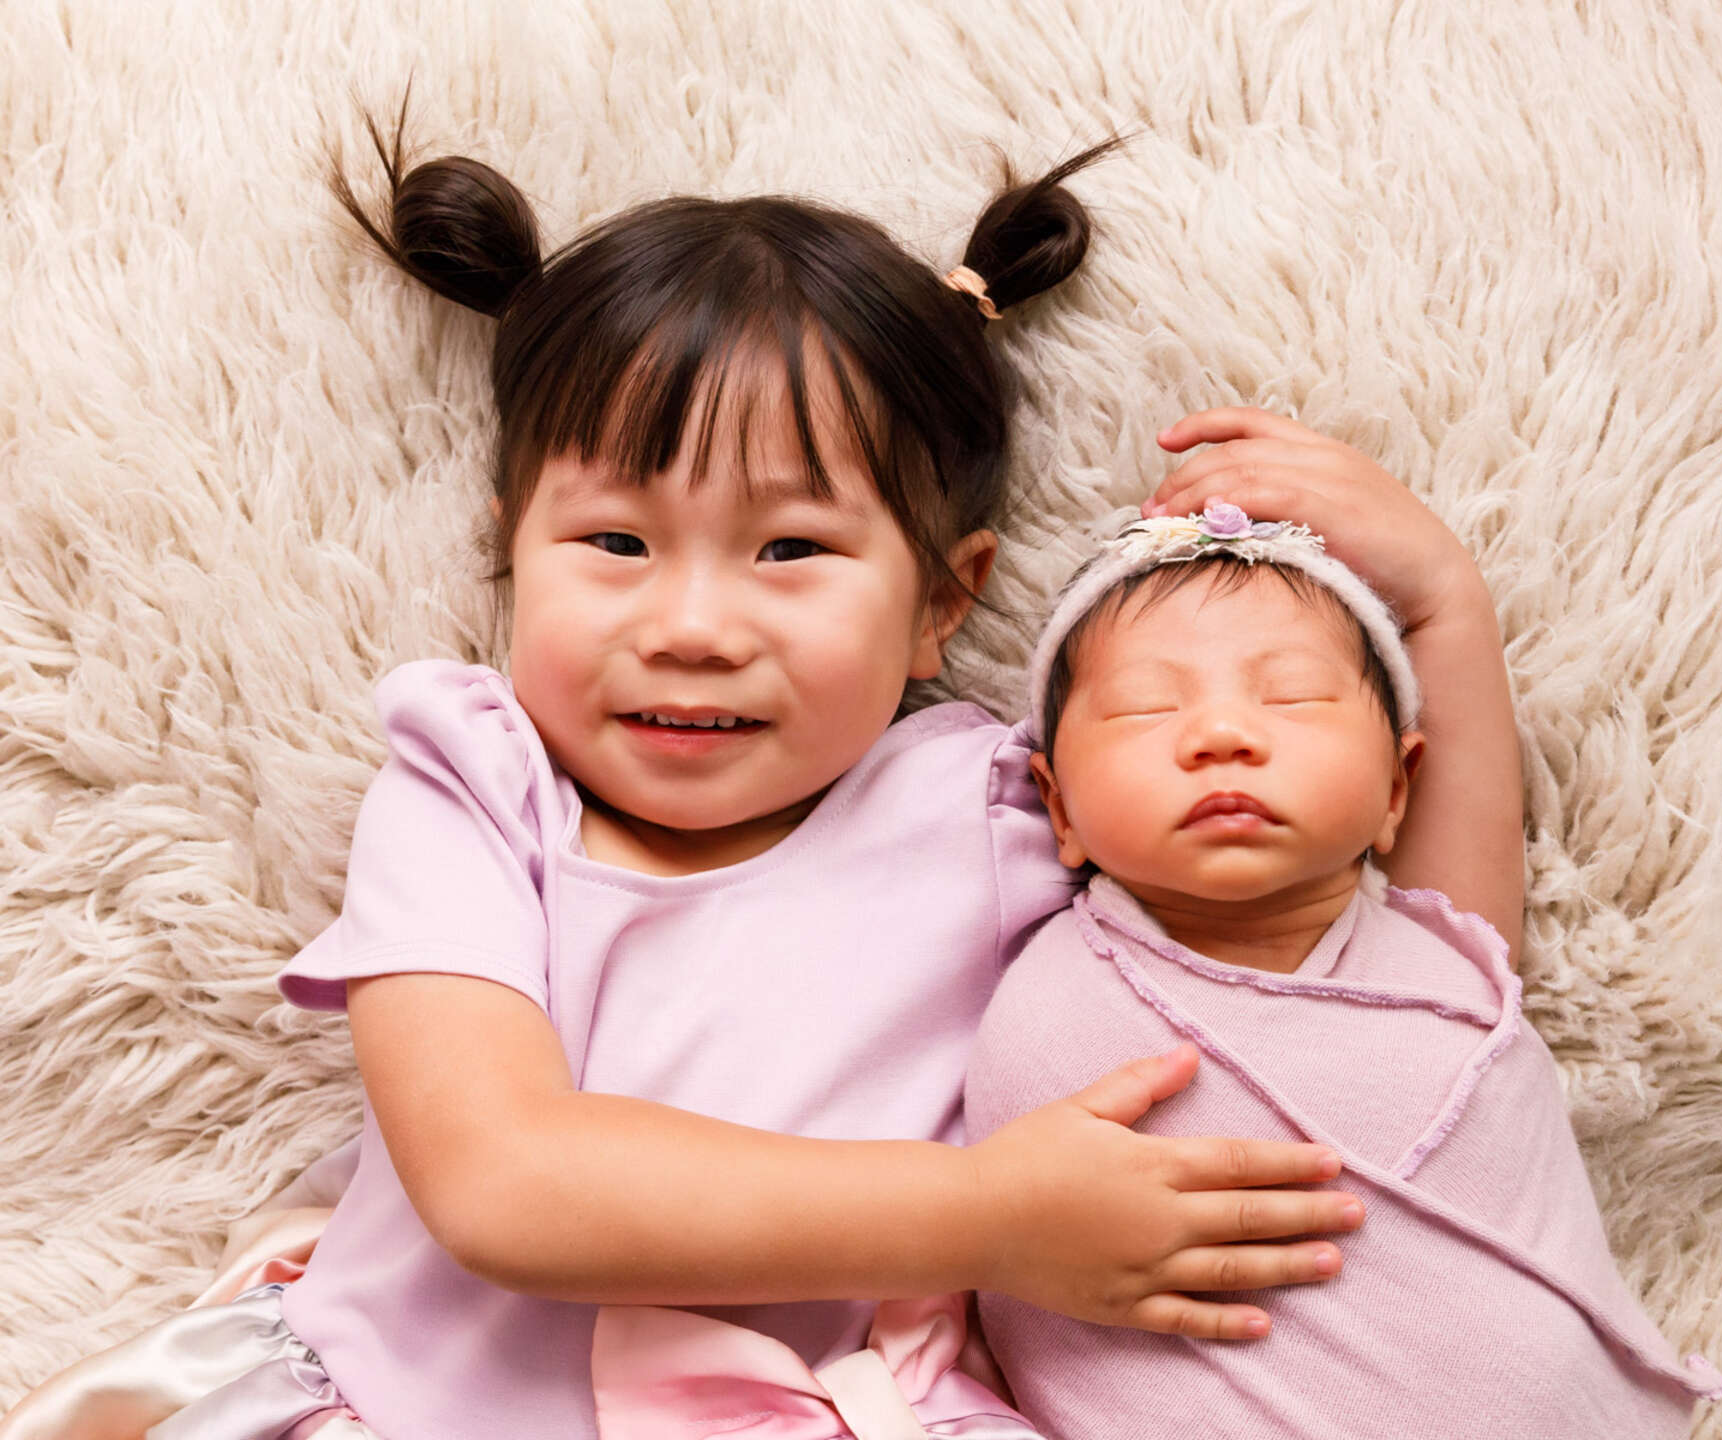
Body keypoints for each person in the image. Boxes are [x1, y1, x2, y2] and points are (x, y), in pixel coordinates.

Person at [0, 114, 1516, 1440]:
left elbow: (1408, 991)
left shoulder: (1004, 804)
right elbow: (499, 1184)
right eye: (613, 545)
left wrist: (1442, 613)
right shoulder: (476, 790)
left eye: (791, 550)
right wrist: (996, 1221)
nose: (694, 627)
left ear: (943, 599)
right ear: (509, 553)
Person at [963, 503, 1722, 1438]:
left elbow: (1471, 803)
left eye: (1290, 697)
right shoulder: (1046, 996)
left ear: (1397, 791)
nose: (1219, 734)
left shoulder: (1438, 956)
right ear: (1059, 807)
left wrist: (1447, 594)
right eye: (1145, 707)